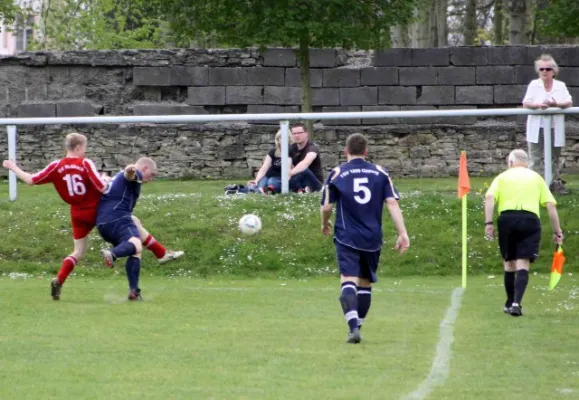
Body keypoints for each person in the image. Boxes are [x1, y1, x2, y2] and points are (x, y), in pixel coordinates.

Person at [2, 134, 183, 301]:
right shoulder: (84, 163)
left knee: (78, 252)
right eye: (85, 147)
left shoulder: (56, 166)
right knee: (133, 230)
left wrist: (13, 167)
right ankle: (154, 254)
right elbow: (101, 188)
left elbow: (31, 180)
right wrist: (107, 179)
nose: (85, 151)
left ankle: (59, 279)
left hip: (76, 213)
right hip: (95, 209)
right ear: (79, 147)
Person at [320, 133, 410, 344]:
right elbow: (392, 204)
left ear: (346, 151)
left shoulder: (337, 173)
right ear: (366, 151)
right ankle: (357, 326)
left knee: (348, 280)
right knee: (365, 283)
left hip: (346, 235)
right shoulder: (380, 173)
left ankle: (353, 329)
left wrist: (324, 223)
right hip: (372, 237)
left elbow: (326, 206)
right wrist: (402, 233)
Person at [484, 149, 563, 317]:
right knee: (523, 263)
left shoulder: (502, 177)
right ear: (526, 162)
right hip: (529, 220)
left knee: (509, 263)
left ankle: (508, 302)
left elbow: (489, 198)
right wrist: (558, 231)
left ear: (510, 163)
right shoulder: (536, 178)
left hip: (507, 219)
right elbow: (550, 205)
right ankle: (516, 303)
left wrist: (488, 223)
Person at [97, 157, 157, 300]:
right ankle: (112, 254)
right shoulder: (137, 174)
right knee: (136, 244)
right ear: (145, 169)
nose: (152, 179)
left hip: (103, 223)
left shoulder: (116, 178)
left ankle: (134, 292)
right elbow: (130, 174)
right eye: (152, 174)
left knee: (136, 250)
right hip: (118, 218)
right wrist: (131, 170)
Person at [522, 54, 573, 195]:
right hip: (537, 126)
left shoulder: (560, 86)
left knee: (554, 158)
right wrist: (538, 105)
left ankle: (551, 185)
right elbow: (526, 103)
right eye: (541, 69)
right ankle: (534, 187)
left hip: (554, 127)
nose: (544, 71)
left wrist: (555, 104)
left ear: (554, 71)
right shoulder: (534, 84)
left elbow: (569, 102)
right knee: (535, 157)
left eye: (548, 69)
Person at [248, 129, 292, 194]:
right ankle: (256, 190)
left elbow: (289, 169)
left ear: (289, 139)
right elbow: (264, 167)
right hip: (268, 176)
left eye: (286, 138)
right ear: (278, 140)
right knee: (260, 185)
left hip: (280, 178)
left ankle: (269, 190)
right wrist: (256, 180)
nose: (284, 140)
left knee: (271, 182)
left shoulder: (292, 151)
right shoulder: (273, 151)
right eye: (281, 138)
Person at [289, 123, 324, 193]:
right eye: (294, 133)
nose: (296, 135)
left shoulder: (312, 148)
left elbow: (305, 163)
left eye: (299, 133)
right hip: (299, 180)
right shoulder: (291, 148)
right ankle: (302, 190)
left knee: (304, 170)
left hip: (314, 183)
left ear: (306, 133)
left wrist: (289, 174)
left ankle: (302, 189)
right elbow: (286, 164)